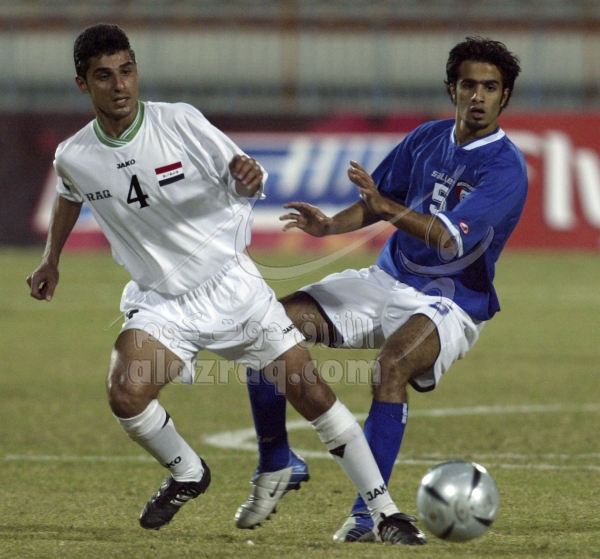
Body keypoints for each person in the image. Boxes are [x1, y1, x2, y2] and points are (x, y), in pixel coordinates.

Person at [26, 23, 426, 545]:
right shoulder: (74, 155)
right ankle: (188, 472)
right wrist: (51, 259)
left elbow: (246, 172)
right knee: (126, 392)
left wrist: (248, 178)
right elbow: (68, 192)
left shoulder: (179, 122)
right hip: (163, 302)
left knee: (312, 394)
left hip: (232, 288)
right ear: (83, 84)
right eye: (104, 76)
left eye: (127, 71)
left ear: (136, 71)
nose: (120, 85)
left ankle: (385, 512)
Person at [236, 36, 527, 543]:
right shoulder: (427, 137)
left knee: (390, 367)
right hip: (385, 279)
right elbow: (379, 199)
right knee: (266, 328)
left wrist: (384, 206)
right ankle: (277, 459)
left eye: (490, 87)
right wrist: (330, 226)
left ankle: (366, 516)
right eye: (468, 85)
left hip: (450, 302)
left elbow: (445, 237)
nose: (478, 96)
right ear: (452, 89)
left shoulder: (505, 168)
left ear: (505, 96)